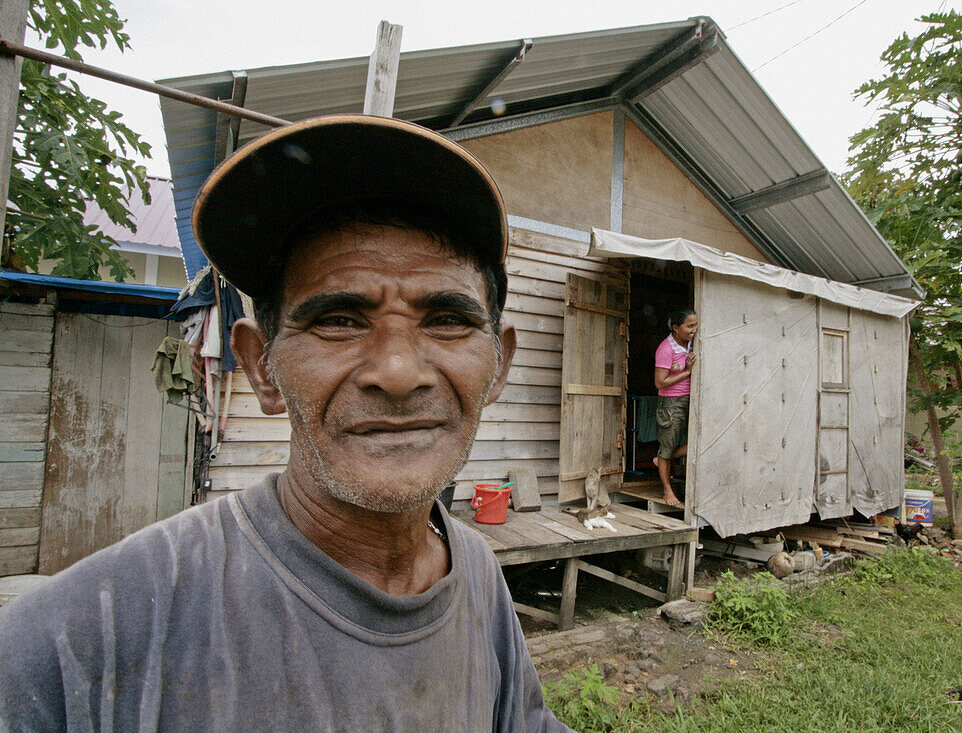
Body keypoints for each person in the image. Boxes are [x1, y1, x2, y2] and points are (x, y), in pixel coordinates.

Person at [0, 115, 570, 731]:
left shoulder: (475, 573)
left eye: (446, 319)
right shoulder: (72, 643)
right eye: (340, 319)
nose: (400, 372)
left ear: (499, 364)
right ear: (261, 366)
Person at [652, 307, 698, 508]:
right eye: (690, 326)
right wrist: (687, 372)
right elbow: (660, 382)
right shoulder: (666, 349)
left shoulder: (691, 343)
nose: (694, 329)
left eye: (696, 325)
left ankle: (661, 459)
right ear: (676, 328)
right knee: (667, 446)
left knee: (697, 442)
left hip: (691, 399)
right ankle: (667, 490)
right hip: (671, 403)